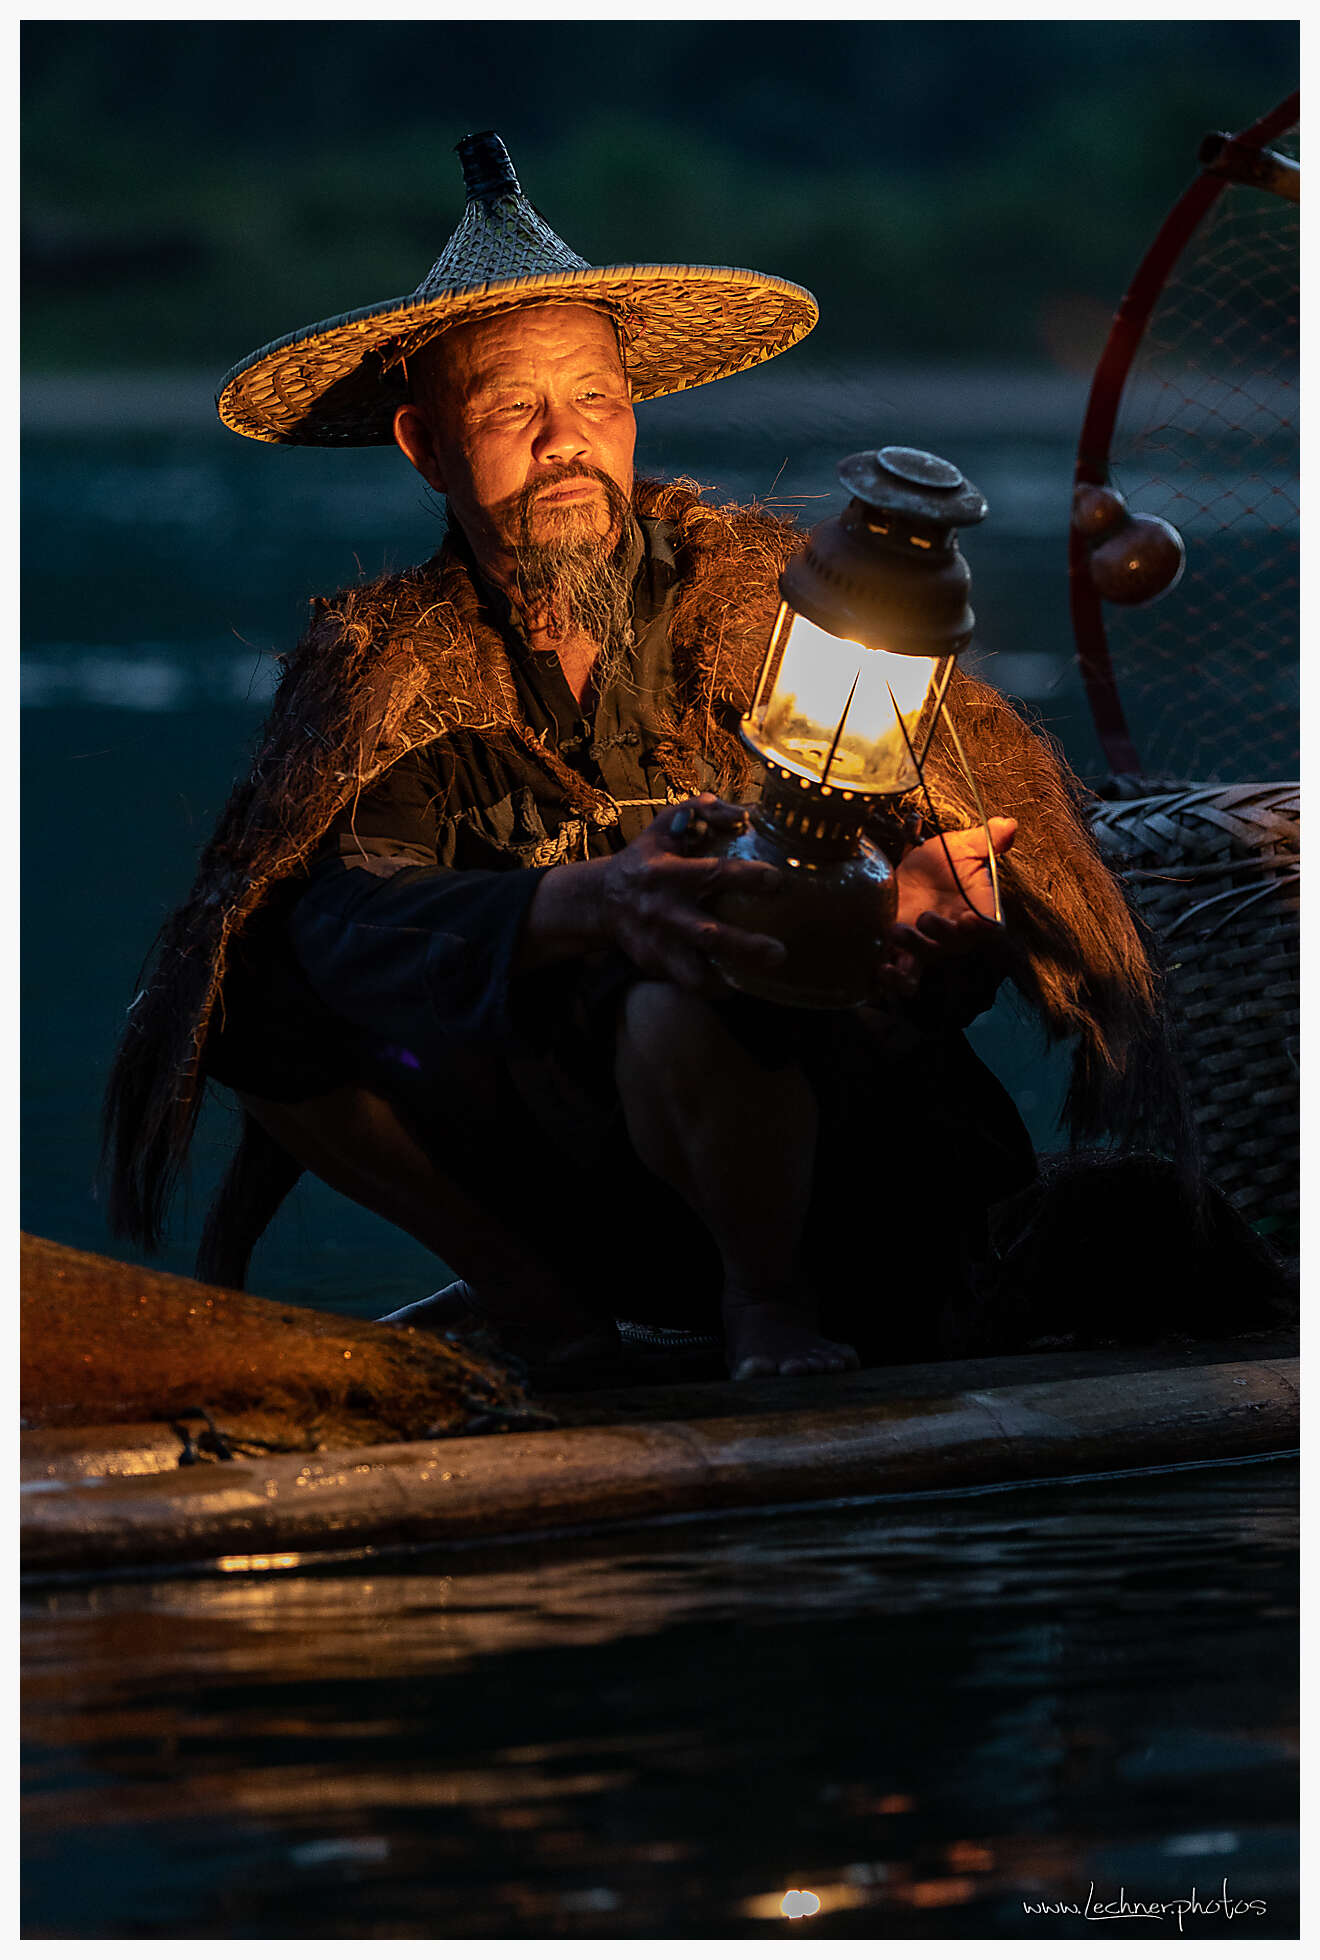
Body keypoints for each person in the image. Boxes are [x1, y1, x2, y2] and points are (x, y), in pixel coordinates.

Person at [103, 134, 1174, 1381]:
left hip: (863, 1186)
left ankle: (771, 1314)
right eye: (512, 408)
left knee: (709, 966)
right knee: (239, 979)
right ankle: (536, 1306)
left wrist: (930, 921)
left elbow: (953, 874)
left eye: (594, 401)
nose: (565, 441)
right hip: (596, 1193)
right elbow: (343, 919)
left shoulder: (776, 613)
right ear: (426, 446)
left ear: (633, 412)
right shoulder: (395, 675)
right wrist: (582, 904)